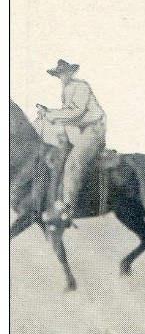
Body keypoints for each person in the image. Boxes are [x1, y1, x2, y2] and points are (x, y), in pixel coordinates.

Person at [38, 59, 107, 225]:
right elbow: (69, 115)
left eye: (65, 72)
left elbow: (76, 112)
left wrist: (51, 114)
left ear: (72, 72)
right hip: (80, 131)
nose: (63, 76)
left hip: (93, 129)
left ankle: (67, 209)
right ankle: (56, 201)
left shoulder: (81, 86)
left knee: (73, 163)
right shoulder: (66, 89)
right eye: (60, 74)